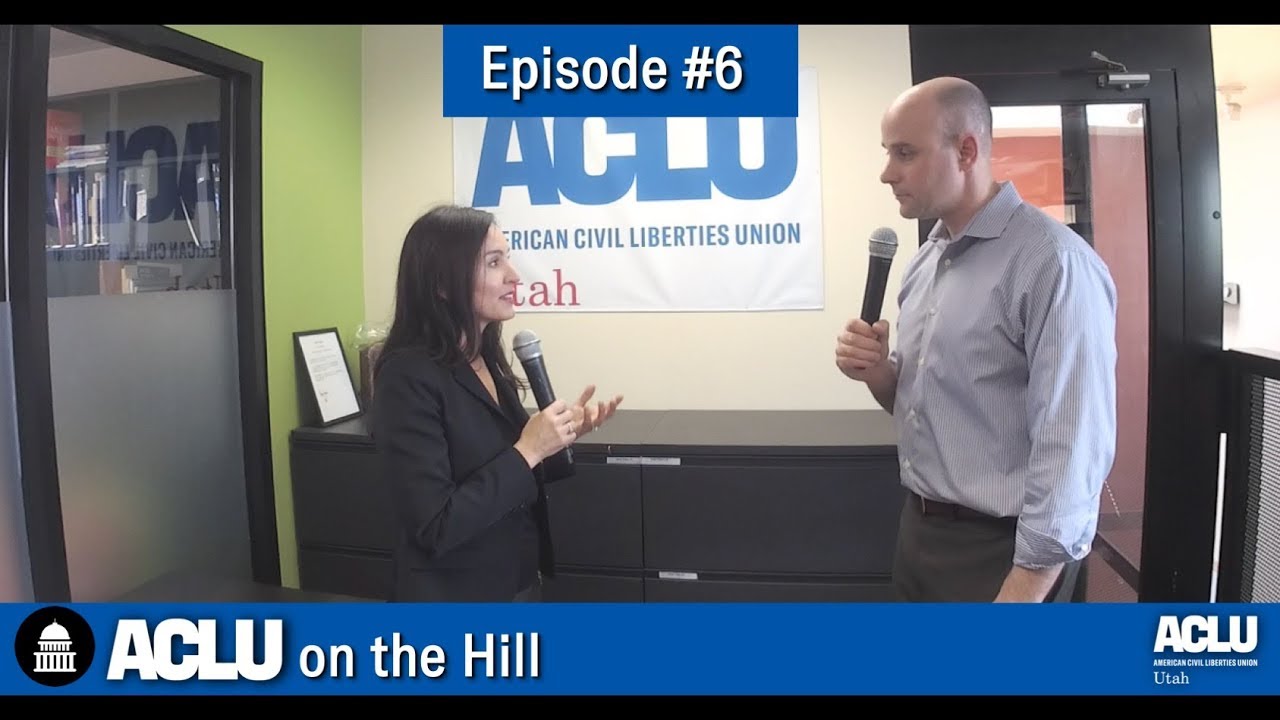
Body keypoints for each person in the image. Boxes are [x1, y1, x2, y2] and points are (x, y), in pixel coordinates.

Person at [835, 76, 1118, 602]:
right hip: (919, 532)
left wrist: (1028, 585)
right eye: (887, 152)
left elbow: (1074, 443)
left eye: (904, 153)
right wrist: (878, 373)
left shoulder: (1053, 263)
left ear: (966, 151)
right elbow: (919, 406)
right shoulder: (925, 262)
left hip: (1005, 554)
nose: (887, 173)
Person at [371, 204, 623, 602]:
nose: (514, 275)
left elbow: (506, 468)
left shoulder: (484, 357)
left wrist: (556, 438)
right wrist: (530, 448)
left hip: (517, 580)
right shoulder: (406, 378)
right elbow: (436, 525)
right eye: (494, 262)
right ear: (442, 284)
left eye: (508, 257)